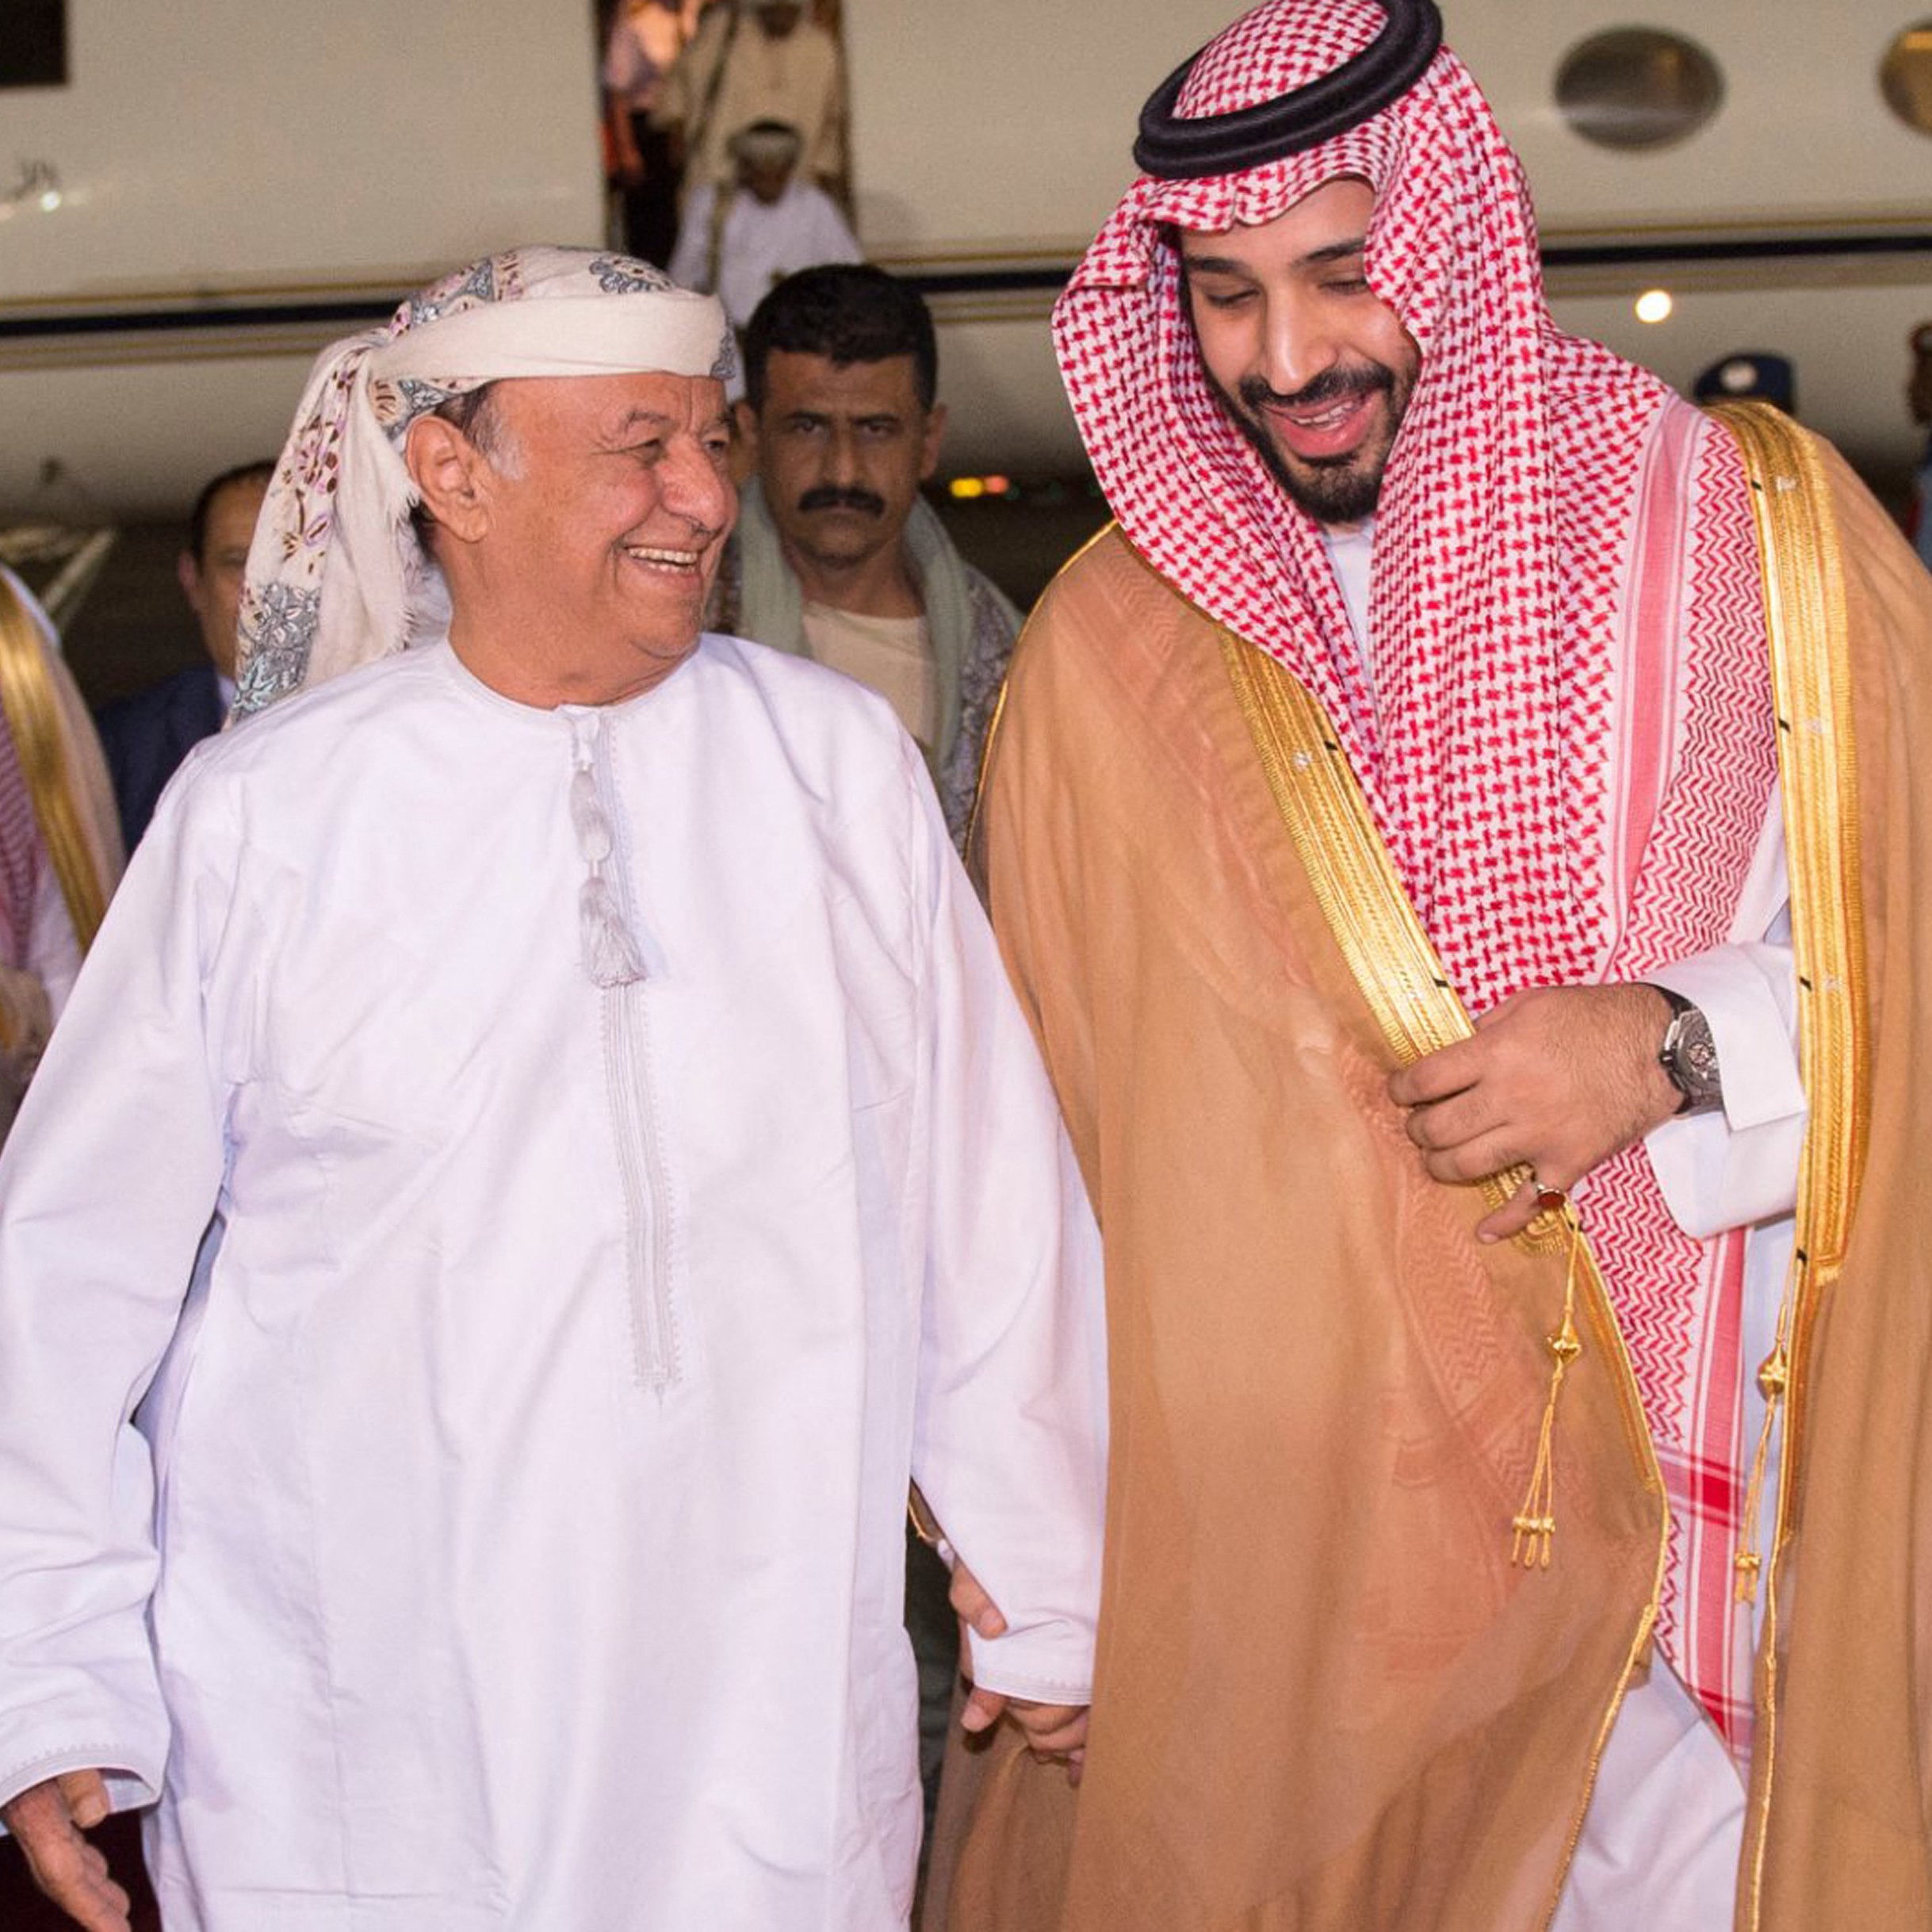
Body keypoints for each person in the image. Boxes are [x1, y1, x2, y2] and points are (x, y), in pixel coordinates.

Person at [935, 3, 1932, 1928]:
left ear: (1452, 232)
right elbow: (1027, 1152)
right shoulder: (1112, 653)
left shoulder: (1747, 530)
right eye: (1225, 295)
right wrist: (1029, 1521)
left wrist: (1670, 1043)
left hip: (1728, 1532)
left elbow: (1904, 923)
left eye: (1341, 272)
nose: (1285, 357)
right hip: (1321, 1581)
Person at [0, 247, 1104, 1932]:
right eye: (639, 449)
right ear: (453, 474)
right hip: (360, 1737)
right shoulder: (266, 816)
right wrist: (49, 1675)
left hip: (759, 1715)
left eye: (710, 442)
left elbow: (988, 1203)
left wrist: (1047, 1568)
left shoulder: (831, 770)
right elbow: (68, 1278)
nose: (704, 497)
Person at [721, 264, 1020, 847]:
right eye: (807, 428)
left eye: (876, 430)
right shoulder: (678, 632)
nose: (842, 470)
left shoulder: (1006, 666)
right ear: (751, 433)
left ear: (928, 441)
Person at [93, 461, 271, 851]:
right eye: (238, 562)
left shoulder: (384, 732)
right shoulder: (117, 747)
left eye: (288, 560)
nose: (262, 589)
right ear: (193, 581)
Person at [668, 117, 862, 334]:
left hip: (797, 337)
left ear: (790, 167)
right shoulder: (711, 203)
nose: (770, 175)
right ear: (745, 167)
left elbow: (849, 274)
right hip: (727, 339)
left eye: (779, 167)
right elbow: (683, 276)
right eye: (760, 167)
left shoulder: (814, 206)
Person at [657, 0, 844, 203]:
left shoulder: (820, 49)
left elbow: (833, 123)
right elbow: (677, 92)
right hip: (719, 178)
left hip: (792, 188)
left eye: (790, 8)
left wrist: (823, 175)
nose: (781, 12)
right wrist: (678, 132)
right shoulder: (720, 35)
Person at [602, 0, 702, 265]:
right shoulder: (637, 18)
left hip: (692, 129)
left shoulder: (700, 12)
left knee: (689, 216)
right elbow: (618, 92)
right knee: (652, 224)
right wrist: (627, 151)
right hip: (649, 130)